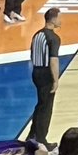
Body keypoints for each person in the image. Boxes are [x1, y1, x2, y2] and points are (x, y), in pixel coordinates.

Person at [29, 8, 62, 146]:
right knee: (46, 108)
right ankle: (41, 140)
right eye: (59, 18)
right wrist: (55, 80)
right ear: (53, 20)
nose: (61, 21)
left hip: (36, 72)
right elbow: (53, 60)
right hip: (46, 74)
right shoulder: (53, 38)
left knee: (40, 105)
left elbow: (32, 54)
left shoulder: (37, 34)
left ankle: (32, 135)